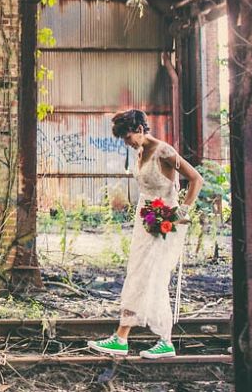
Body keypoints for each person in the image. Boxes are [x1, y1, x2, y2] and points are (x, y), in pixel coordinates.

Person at [88, 109, 203, 359]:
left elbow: (196, 178)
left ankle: (137, 338)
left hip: (164, 220)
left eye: (128, 137)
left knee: (152, 275)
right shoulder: (140, 150)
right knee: (139, 273)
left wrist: (181, 210)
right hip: (146, 217)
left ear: (140, 130)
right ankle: (148, 339)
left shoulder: (164, 151)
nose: (126, 143)